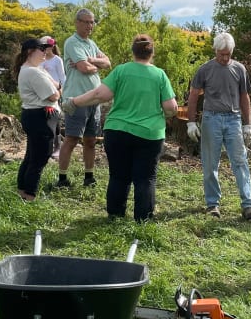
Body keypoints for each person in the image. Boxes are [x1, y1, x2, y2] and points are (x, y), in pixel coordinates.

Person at [68, 34, 177, 221]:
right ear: (152, 53)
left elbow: (99, 95)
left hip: (117, 131)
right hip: (149, 134)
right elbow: (171, 107)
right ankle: (143, 220)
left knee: (119, 176)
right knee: (145, 178)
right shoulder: (159, 75)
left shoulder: (121, 71)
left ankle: (115, 215)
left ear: (133, 52)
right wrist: (165, 115)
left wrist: (74, 102)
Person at [185, 32, 251, 220]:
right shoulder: (205, 69)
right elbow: (193, 96)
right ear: (215, 50)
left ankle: (248, 204)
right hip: (211, 118)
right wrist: (191, 122)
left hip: (233, 118)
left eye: (228, 54)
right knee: (210, 163)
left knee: (240, 161)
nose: (225, 58)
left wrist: (247, 124)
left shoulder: (239, 69)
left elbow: (244, 97)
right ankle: (212, 204)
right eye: (221, 54)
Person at [58, 8, 111, 188]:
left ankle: (89, 177)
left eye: (92, 22)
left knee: (91, 140)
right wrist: (95, 64)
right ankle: (62, 178)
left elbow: (108, 62)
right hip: (77, 98)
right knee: (72, 139)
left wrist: (90, 60)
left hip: (94, 100)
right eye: (86, 22)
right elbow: (84, 69)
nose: (90, 26)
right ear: (77, 22)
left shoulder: (91, 43)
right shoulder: (72, 42)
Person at [13, 38, 61, 202]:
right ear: (30, 52)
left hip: (35, 115)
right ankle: (30, 195)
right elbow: (54, 94)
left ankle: (22, 191)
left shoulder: (32, 69)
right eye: (41, 49)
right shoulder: (33, 72)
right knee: (40, 157)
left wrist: (55, 87)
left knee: (32, 156)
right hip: (41, 116)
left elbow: (57, 85)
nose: (45, 52)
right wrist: (56, 90)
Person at [39, 35, 66, 157]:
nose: (48, 48)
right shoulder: (40, 60)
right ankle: (44, 146)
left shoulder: (57, 60)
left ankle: (57, 147)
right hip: (41, 93)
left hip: (55, 93)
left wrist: (63, 93)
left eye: (49, 45)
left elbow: (62, 78)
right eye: (45, 46)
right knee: (42, 118)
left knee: (55, 119)